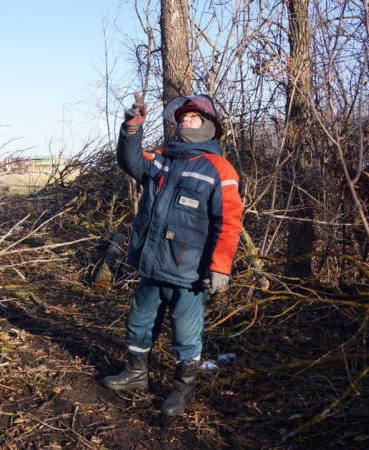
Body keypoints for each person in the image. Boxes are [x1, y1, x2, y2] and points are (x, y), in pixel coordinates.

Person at [102, 93, 243, 417]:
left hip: (188, 273)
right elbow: (131, 162)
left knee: (185, 335)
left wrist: (220, 267)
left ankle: (183, 388)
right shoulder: (165, 157)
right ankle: (137, 374)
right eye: (180, 118)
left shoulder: (219, 169)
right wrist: (131, 129)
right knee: (138, 323)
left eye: (191, 118)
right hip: (152, 265)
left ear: (208, 127)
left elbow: (230, 221)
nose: (183, 122)